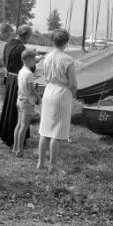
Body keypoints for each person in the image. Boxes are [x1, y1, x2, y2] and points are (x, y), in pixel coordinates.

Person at [37, 29, 77, 174]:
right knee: (56, 132)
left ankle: (40, 162)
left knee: (45, 129)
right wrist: (73, 93)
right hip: (61, 92)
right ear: (66, 43)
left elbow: (45, 75)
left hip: (49, 90)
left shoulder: (47, 57)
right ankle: (52, 166)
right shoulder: (67, 60)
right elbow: (73, 83)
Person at [0, 25, 39, 147]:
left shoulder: (8, 43)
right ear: (25, 35)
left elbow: (4, 61)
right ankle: (15, 140)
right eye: (29, 36)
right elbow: (29, 66)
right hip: (19, 79)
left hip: (10, 78)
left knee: (9, 107)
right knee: (18, 111)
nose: (28, 39)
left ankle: (6, 135)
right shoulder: (21, 48)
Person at [13, 49, 41, 157]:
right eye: (34, 59)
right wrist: (39, 98)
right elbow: (31, 90)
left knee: (19, 125)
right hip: (27, 102)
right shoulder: (29, 74)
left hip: (19, 100)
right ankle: (19, 151)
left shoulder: (21, 71)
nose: (35, 61)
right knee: (24, 127)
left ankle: (15, 147)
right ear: (29, 60)